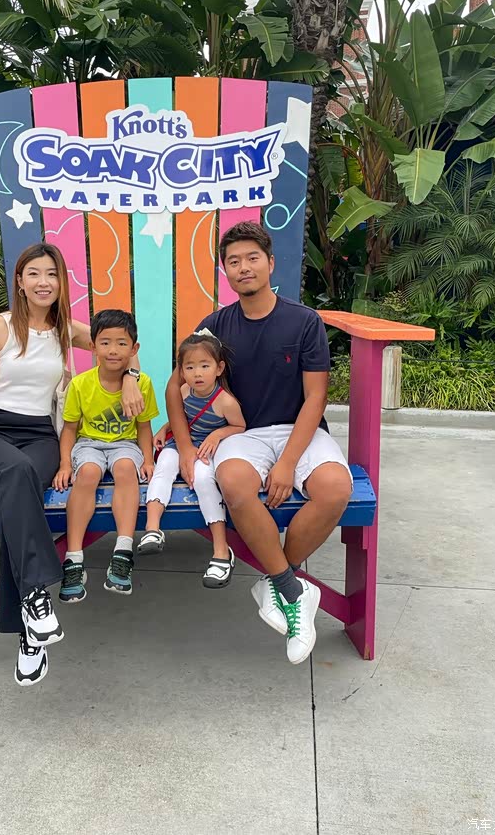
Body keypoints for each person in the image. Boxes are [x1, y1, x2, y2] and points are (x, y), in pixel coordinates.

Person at [0, 243, 144, 687]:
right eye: (34, 274)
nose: (44, 282)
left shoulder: (65, 330)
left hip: (41, 433)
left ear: (61, 282)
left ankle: (31, 626)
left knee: (18, 491)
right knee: (16, 475)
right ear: (20, 282)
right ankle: (36, 601)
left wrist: (132, 379)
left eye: (52, 274)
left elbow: (119, 344)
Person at [166, 221, 352, 664]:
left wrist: (287, 463)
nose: (244, 267)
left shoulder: (303, 321)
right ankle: (292, 589)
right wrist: (186, 448)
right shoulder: (214, 327)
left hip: (299, 430)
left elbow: (316, 398)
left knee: (335, 489)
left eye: (252, 258)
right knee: (233, 482)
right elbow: (176, 387)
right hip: (243, 434)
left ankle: (276, 582)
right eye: (233, 261)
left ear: (270, 263)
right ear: (225, 271)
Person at [54, 309, 158, 601]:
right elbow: (70, 429)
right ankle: (74, 558)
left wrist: (148, 460)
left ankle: (123, 552)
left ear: (134, 349)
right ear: (92, 346)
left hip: (125, 443)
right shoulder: (81, 384)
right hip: (89, 442)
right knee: (87, 473)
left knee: (125, 468)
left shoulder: (143, 383)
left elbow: (144, 427)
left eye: (122, 343)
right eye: (105, 342)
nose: (113, 350)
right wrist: (65, 464)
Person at [140, 330, 246, 589]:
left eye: (204, 366)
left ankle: (221, 548)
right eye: (190, 367)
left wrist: (218, 434)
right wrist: (165, 428)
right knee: (163, 468)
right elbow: (182, 420)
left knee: (203, 480)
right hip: (179, 443)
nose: (197, 373)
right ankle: (152, 529)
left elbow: (240, 426)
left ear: (219, 368)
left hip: (204, 451)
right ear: (181, 372)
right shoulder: (184, 392)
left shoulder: (225, 401)